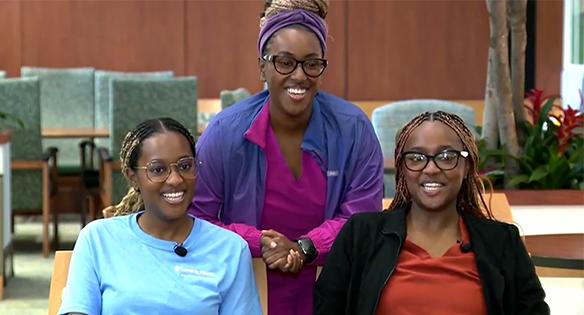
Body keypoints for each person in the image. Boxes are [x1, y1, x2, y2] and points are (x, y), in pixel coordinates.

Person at [189, 1, 384, 314]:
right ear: (262, 66)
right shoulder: (225, 132)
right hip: (243, 290)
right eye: (284, 62)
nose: (299, 76)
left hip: (333, 291)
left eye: (311, 63)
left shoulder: (353, 129)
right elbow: (197, 220)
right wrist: (260, 244)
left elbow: (363, 219)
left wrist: (305, 248)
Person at [314, 111, 550, 315]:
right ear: (402, 168)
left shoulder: (503, 243)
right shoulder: (360, 235)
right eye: (416, 158)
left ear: (466, 166)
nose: (431, 168)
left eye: (447, 157)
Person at [59, 118, 261, 315]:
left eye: (185, 166)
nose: (175, 179)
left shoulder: (231, 249)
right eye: (158, 170)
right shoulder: (98, 239)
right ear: (133, 178)